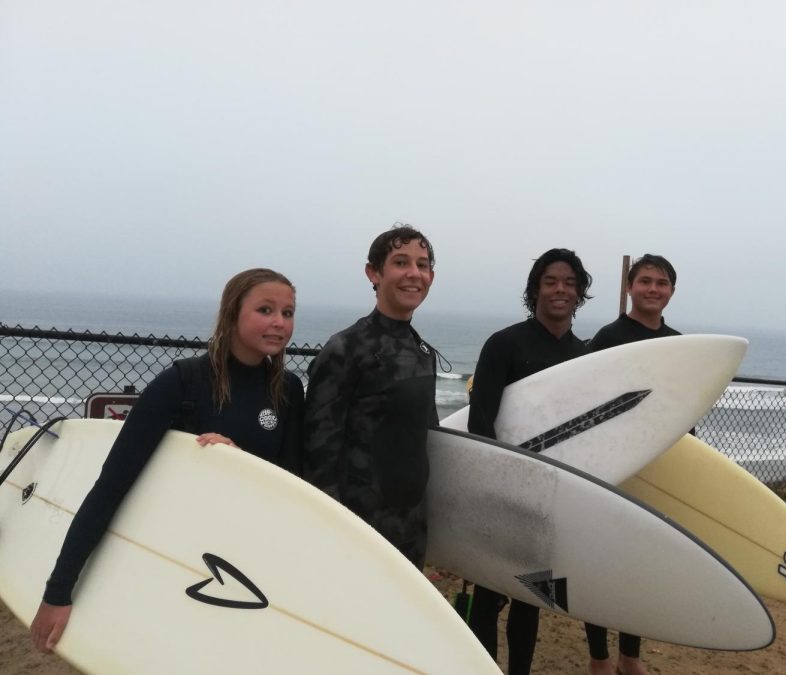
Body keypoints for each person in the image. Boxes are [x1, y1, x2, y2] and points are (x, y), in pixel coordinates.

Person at [30, 268, 305, 653]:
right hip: (172, 553)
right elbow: (111, 485)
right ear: (231, 313)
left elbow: (292, 485)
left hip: (245, 559)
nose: (279, 322)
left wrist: (240, 464)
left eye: (288, 313)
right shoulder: (183, 382)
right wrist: (58, 592)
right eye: (265, 309)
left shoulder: (288, 390)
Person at [467, 248, 593, 675]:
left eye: (569, 283)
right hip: (501, 492)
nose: (560, 290)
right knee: (488, 597)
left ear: (580, 294)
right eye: (551, 281)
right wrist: (492, 486)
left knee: (531, 597)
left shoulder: (584, 354)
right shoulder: (504, 345)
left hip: (550, 497)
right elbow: (480, 422)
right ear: (535, 289)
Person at [303, 224, 437, 570]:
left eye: (422, 265)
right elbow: (318, 451)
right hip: (356, 526)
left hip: (411, 527)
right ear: (373, 273)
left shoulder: (422, 351)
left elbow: (424, 443)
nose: (413, 274)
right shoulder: (345, 349)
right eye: (401, 262)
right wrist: (331, 526)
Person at [584, 253, 680, 675]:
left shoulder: (679, 343)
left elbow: (681, 404)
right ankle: (599, 657)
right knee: (602, 561)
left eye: (661, 282)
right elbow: (587, 401)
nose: (653, 289)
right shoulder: (609, 336)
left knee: (639, 561)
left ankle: (630, 656)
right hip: (610, 461)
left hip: (657, 463)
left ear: (672, 291)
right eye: (645, 281)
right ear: (630, 287)